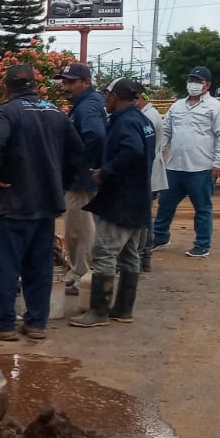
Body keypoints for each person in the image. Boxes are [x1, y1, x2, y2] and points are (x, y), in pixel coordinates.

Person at [0, 65, 85, 341]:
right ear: (36, 86)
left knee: (4, 266)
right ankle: (36, 323)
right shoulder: (56, 114)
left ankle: (2, 325)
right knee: (39, 266)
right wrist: (61, 184)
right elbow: (77, 152)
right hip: (46, 202)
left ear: (7, 87)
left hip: (12, 202)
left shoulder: (7, 112)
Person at [69, 78, 156, 328]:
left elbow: (132, 150)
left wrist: (104, 172)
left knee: (104, 252)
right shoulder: (143, 120)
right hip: (139, 197)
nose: (104, 99)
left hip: (121, 200)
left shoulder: (125, 122)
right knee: (129, 256)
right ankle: (123, 309)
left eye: (106, 95)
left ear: (115, 97)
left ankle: (98, 311)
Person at [152, 66, 220, 258]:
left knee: (202, 207)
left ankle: (202, 244)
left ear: (207, 85)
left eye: (198, 81)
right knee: (165, 204)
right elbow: (166, 131)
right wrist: (157, 152)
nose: (193, 84)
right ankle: (160, 237)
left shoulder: (215, 108)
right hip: (175, 166)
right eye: (192, 80)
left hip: (202, 168)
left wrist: (218, 163)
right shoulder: (178, 106)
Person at [56, 62, 106, 297]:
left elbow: (95, 135)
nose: (66, 86)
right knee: (77, 228)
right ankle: (78, 272)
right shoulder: (85, 104)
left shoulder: (88, 106)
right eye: (64, 81)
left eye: (71, 82)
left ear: (86, 82)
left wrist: (81, 164)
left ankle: (82, 275)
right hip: (80, 177)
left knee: (80, 229)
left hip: (81, 180)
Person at [136, 86, 168, 272]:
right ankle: (144, 257)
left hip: (148, 173)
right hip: (150, 172)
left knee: (143, 217)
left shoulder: (147, 117)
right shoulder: (151, 113)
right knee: (145, 216)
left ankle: (142, 256)